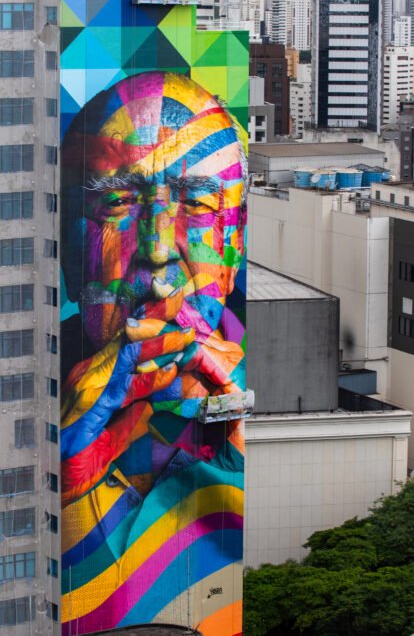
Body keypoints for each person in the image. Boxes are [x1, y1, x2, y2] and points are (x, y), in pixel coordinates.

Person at [59, 71, 247, 636]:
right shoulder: (19, 404)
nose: (158, 248)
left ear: (233, 250)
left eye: (198, 203)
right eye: (117, 202)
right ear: (68, 253)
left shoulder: (248, 420)